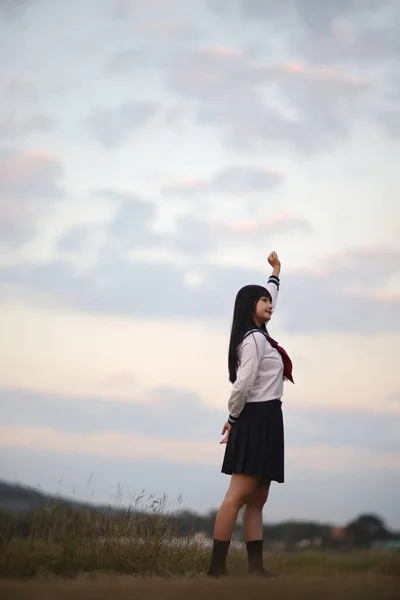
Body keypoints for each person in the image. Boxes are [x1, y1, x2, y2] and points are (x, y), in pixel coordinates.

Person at [206, 251, 294, 578]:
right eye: (262, 300)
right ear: (249, 306)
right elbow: (242, 386)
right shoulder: (253, 341)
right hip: (255, 417)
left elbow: (272, 298)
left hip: (270, 418)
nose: (269, 304)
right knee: (237, 497)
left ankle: (256, 570)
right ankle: (216, 568)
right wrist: (232, 418)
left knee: (258, 500)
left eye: (269, 300)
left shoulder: (262, 335)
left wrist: (276, 272)